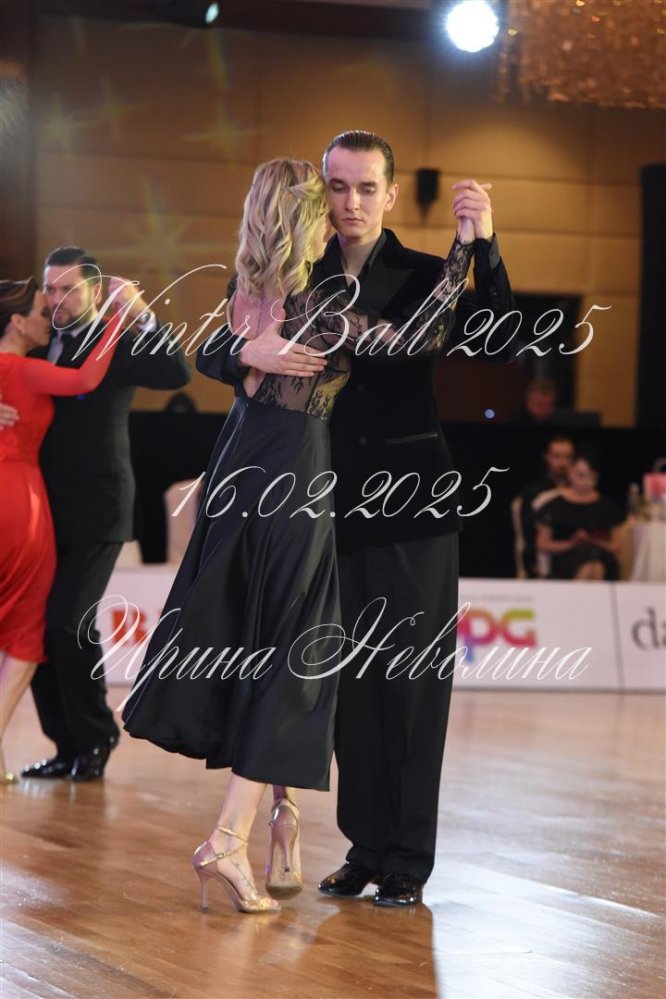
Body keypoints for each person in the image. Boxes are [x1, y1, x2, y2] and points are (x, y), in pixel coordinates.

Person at [121, 156, 476, 915]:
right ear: (305, 217)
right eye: (327, 200)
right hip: (294, 474)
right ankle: (234, 836)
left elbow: (213, 349)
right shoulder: (319, 300)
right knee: (293, 651)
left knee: (272, 639)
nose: (340, 212)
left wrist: (243, 349)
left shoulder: (258, 286)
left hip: (246, 462)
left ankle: (279, 825)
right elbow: (420, 335)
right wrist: (463, 253)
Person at [193, 130, 517, 907]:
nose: (351, 202)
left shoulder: (423, 271)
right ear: (321, 191)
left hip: (412, 504)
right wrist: (248, 355)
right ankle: (365, 847)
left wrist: (486, 248)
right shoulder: (297, 267)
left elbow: (502, 340)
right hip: (321, 503)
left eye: (367, 187)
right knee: (345, 686)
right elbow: (211, 346)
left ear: (391, 194)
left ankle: (408, 856)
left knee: (410, 684)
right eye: (337, 186)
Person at [0, 247, 191, 782]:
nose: (57, 300)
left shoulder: (116, 338)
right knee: (37, 627)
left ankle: (96, 736)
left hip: (99, 507)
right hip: (40, 510)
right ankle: (66, 746)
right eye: (51, 289)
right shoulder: (37, 339)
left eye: (69, 289)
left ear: (94, 289)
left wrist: (142, 314)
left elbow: (176, 370)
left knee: (67, 622)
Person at [0, 278, 122, 783]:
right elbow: (87, 378)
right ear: (15, 322)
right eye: (38, 309)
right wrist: (117, 318)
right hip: (18, 501)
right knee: (27, 625)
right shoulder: (23, 368)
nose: (48, 315)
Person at [536, 452, 625, 580]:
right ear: (570, 473)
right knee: (590, 564)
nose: (586, 482)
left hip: (600, 557)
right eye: (581, 475)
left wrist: (593, 541)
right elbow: (542, 544)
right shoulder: (554, 506)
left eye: (591, 477)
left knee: (595, 562)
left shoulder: (608, 507)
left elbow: (616, 545)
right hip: (566, 559)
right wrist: (572, 543)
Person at [515, 435, 574, 577]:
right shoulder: (534, 493)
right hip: (547, 557)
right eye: (557, 456)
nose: (562, 463)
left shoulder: (581, 492)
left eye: (567, 457)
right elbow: (527, 532)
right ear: (547, 457)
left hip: (577, 554)